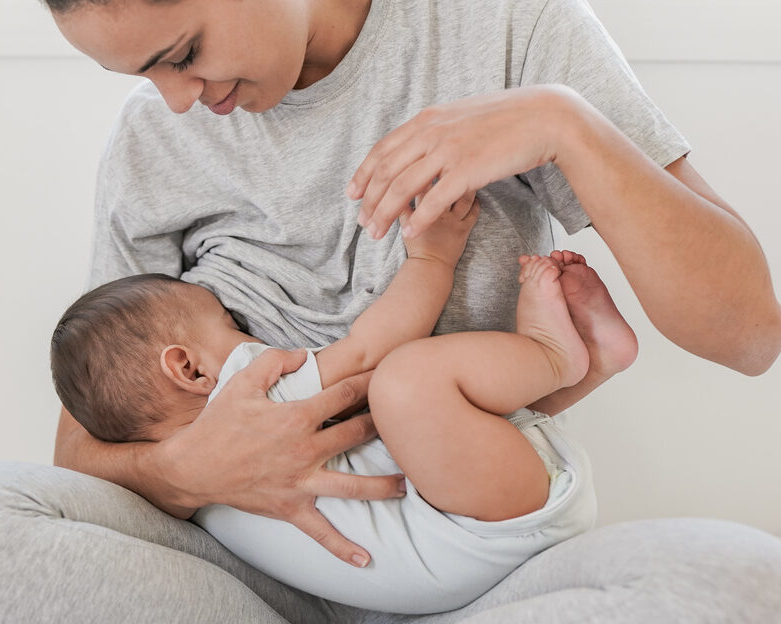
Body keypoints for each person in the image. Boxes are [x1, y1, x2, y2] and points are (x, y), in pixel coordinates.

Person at [0, 0, 781, 621]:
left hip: (474, 579)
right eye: (143, 77)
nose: (177, 101)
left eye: (185, 53)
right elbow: (84, 448)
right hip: (245, 586)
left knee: (746, 584)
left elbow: (749, 335)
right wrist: (194, 466)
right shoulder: (157, 146)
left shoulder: (504, 28)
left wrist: (563, 123)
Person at [52, 189, 603, 613]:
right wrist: (433, 258)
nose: (245, 330)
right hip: (482, 529)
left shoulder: (192, 498)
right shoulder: (244, 402)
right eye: (229, 322)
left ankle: (597, 360)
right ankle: (556, 357)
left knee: (415, 421)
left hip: (455, 559)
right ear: (189, 368)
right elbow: (368, 351)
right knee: (402, 381)